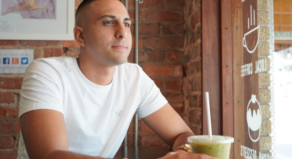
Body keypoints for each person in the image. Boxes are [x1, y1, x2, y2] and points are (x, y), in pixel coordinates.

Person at [17, 0, 216, 159]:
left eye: (127, 24)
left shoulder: (134, 77)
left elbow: (182, 133)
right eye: (109, 22)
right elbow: (48, 155)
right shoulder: (46, 72)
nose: (122, 32)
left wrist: (182, 151)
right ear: (81, 36)